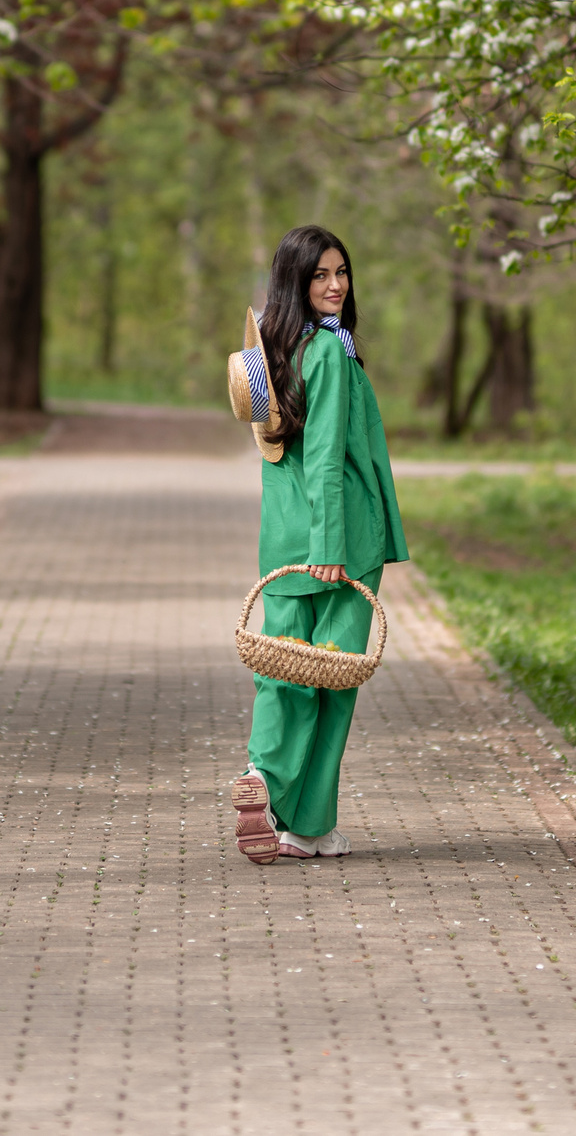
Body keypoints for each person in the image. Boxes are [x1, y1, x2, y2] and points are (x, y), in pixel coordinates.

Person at [231, 225, 407, 863]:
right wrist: (331, 543)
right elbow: (329, 458)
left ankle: (261, 775)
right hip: (339, 542)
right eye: (320, 276)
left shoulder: (276, 353)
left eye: (341, 272)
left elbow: (279, 458)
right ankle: (306, 825)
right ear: (296, 283)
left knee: (283, 671)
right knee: (332, 679)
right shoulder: (330, 354)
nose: (335, 286)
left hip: (282, 545)